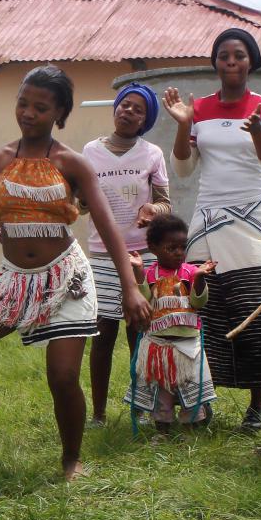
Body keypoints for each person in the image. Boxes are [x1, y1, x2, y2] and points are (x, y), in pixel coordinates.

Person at [0, 65, 150, 481]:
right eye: (22, 103)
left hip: (64, 278)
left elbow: (106, 226)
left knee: (63, 376)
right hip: (14, 278)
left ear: (59, 113)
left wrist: (130, 288)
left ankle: (71, 458)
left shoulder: (73, 163)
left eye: (40, 107)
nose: (28, 113)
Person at [162, 28, 261, 432]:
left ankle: (257, 405)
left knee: (259, 309)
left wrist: (259, 133)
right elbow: (183, 168)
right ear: (215, 62)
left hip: (257, 215)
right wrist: (183, 124)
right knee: (202, 306)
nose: (231, 62)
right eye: (224, 56)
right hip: (210, 214)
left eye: (239, 55)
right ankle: (200, 400)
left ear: (251, 62)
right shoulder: (199, 108)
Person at [81, 82, 171, 427]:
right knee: (102, 333)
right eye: (124, 105)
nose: (128, 111)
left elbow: (166, 202)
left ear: (145, 120)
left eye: (137, 109)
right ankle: (99, 414)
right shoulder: (90, 152)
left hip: (141, 256)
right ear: (115, 108)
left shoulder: (152, 154)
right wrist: (82, 201)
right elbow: (79, 202)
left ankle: (144, 408)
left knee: (141, 332)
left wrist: (152, 209)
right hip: (102, 255)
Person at [124, 214, 216, 439]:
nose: (178, 252)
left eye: (182, 247)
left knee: (190, 387)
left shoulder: (190, 273)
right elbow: (144, 300)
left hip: (187, 345)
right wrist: (137, 271)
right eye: (171, 247)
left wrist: (201, 278)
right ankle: (162, 430)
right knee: (161, 391)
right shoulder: (150, 274)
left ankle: (189, 430)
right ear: (154, 248)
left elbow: (198, 302)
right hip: (159, 344)